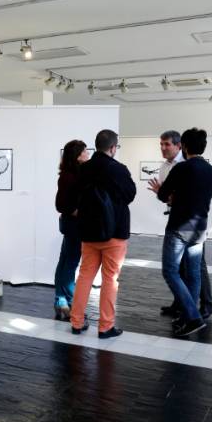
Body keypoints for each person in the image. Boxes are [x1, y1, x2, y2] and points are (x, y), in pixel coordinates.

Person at [70, 130, 136, 339]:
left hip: (89, 232)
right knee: (110, 279)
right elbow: (130, 194)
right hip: (114, 232)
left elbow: (76, 196)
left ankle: (76, 322)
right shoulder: (118, 169)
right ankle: (105, 327)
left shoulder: (84, 169)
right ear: (113, 148)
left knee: (84, 276)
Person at [148, 131, 212, 320]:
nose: (163, 148)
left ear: (182, 146)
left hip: (180, 225)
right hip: (199, 226)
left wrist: (164, 193)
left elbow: (164, 195)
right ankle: (189, 313)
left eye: (167, 144)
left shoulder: (182, 168)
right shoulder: (211, 170)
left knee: (172, 271)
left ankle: (195, 312)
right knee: (192, 272)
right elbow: (202, 198)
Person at [53, 140, 90, 321]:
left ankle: (61, 302)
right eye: (85, 151)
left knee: (64, 262)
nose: (88, 154)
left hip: (71, 225)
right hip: (74, 226)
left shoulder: (71, 174)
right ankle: (73, 303)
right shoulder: (70, 176)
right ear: (77, 155)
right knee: (70, 264)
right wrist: (77, 211)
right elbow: (61, 204)